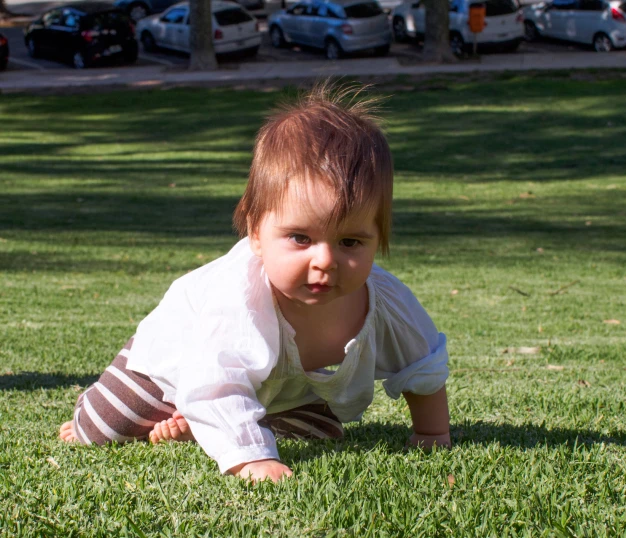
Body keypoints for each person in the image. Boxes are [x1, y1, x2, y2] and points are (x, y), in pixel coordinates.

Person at [58, 83, 451, 484]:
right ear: (256, 233)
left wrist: (432, 432)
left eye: (350, 241)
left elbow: (422, 364)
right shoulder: (238, 299)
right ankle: (166, 416)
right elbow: (213, 379)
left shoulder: (386, 302)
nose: (326, 261)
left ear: (379, 238)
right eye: (300, 238)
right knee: (102, 430)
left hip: (281, 390)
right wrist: (252, 459)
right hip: (174, 366)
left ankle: (209, 426)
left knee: (325, 431)